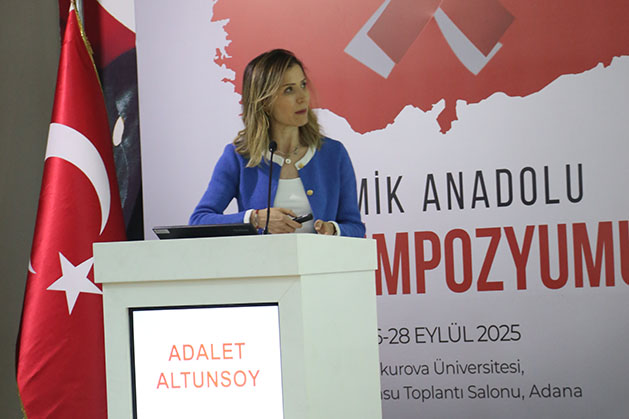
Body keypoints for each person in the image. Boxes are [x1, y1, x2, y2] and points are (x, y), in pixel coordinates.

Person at [189, 49, 365, 237]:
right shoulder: (238, 156)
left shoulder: (333, 154)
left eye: (303, 85)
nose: (302, 97)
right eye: (289, 90)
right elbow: (199, 220)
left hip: (321, 258)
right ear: (264, 102)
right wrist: (255, 218)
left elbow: (355, 227)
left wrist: (333, 229)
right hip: (261, 258)